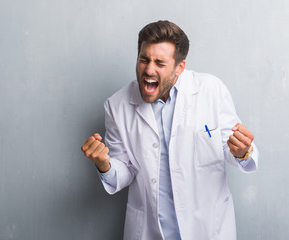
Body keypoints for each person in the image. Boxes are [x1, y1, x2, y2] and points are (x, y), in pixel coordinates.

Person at [81, 20, 258, 240]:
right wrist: (105, 164)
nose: (148, 69)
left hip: (207, 230)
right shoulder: (117, 106)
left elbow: (231, 148)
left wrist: (242, 152)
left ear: (180, 67)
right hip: (150, 231)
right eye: (144, 59)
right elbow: (124, 171)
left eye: (160, 63)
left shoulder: (212, 90)